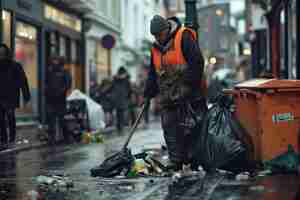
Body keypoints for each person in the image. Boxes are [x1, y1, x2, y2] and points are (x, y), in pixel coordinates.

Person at [144, 15, 207, 171]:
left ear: (167, 29)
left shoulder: (183, 37)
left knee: (193, 127)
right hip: (169, 95)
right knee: (169, 127)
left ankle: (195, 160)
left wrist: (188, 85)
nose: (158, 38)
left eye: (160, 34)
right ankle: (176, 161)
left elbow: (197, 61)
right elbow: (153, 72)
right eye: (155, 36)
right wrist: (148, 92)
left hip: (190, 94)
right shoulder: (155, 48)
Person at [0, 44, 31, 149]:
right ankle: (3, 139)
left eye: (3, 53)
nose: (1, 55)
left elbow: (23, 81)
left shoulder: (15, 65)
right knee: (1, 118)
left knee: (10, 116)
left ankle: (11, 138)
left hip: (11, 96)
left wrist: (26, 96)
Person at [45, 56, 72, 144]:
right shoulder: (50, 71)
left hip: (60, 99)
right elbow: (46, 83)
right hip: (50, 98)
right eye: (53, 60)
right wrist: (47, 92)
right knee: (51, 118)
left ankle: (66, 137)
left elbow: (67, 84)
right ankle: (51, 138)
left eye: (56, 60)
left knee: (61, 119)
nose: (54, 62)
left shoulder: (65, 72)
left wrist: (61, 92)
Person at [111, 67, 131, 133]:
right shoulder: (126, 80)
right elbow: (129, 89)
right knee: (121, 114)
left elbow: (112, 87)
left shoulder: (115, 79)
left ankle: (119, 126)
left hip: (117, 98)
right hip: (123, 98)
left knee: (118, 114)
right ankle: (121, 126)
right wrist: (128, 96)